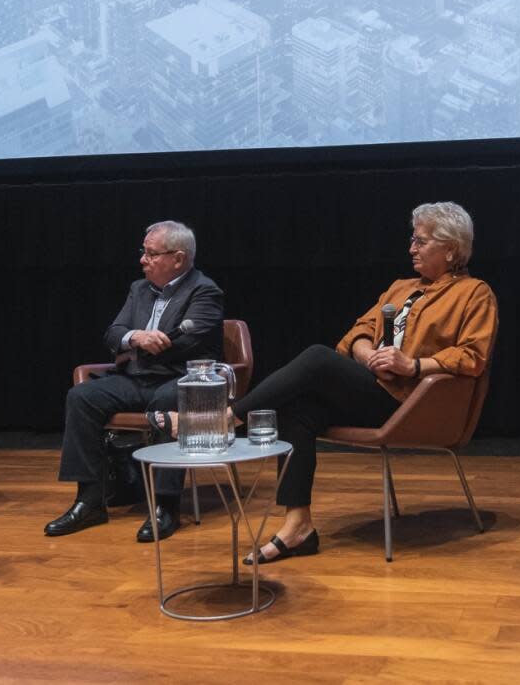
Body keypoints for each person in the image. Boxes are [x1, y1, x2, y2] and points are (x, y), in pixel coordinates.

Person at [156, 201, 498, 563]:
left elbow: (473, 357)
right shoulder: (400, 287)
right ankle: (298, 525)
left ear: (450, 249)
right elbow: (357, 334)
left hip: (416, 402)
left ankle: (226, 418)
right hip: (377, 390)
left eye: (421, 241)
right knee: (299, 409)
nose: (411, 248)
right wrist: (368, 355)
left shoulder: (475, 293)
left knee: (318, 358)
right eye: (412, 239)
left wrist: (412, 365)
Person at [44, 220, 224, 541]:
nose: (142, 259)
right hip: (136, 377)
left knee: (167, 400)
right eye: (143, 251)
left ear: (178, 258)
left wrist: (145, 344)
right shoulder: (138, 289)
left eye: (151, 254)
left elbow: (189, 342)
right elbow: (113, 333)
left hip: (179, 379)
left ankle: (165, 505)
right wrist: (135, 336)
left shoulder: (205, 291)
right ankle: (89, 500)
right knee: (82, 397)